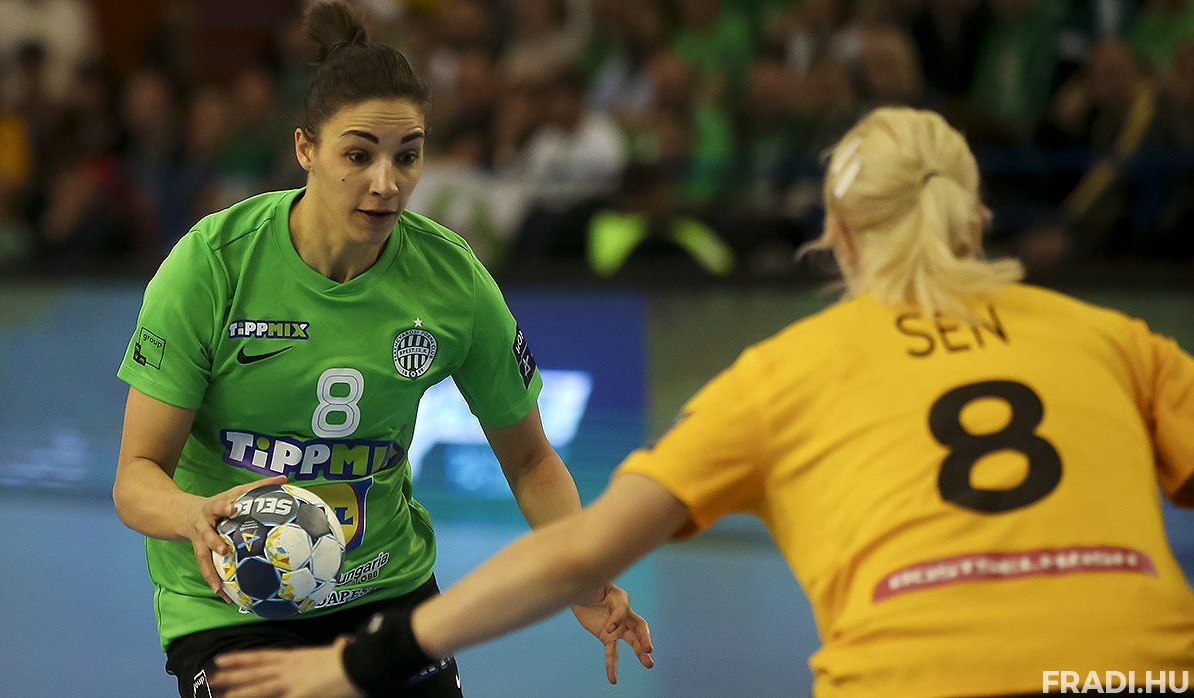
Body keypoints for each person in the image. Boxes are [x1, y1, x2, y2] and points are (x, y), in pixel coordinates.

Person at [210, 107, 1194, 697]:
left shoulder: (787, 372)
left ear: (841, 236)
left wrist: (363, 661)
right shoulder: (1115, 340)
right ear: (976, 219)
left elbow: (577, 552)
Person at [111, 3, 651, 697]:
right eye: (358, 154)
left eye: (407, 155)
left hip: (384, 591)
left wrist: (585, 577)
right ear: (306, 149)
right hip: (234, 599)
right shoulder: (213, 265)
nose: (386, 182)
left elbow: (531, 460)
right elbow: (137, 475)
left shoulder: (451, 281)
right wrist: (193, 514)